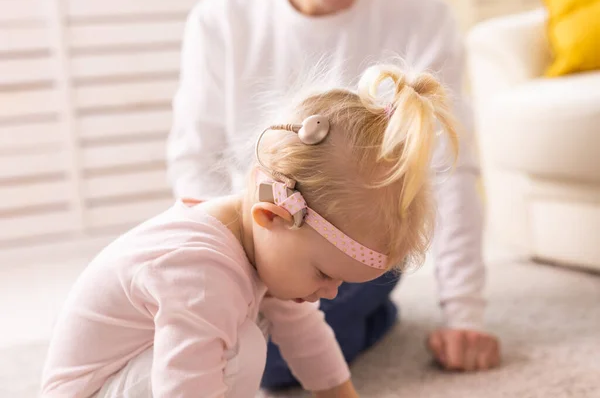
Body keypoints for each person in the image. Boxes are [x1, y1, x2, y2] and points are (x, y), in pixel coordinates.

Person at [41, 63, 457, 398]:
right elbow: (184, 389)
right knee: (242, 347)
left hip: (128, 376)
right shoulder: (201, 270)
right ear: (273, 216)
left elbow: (306, 334)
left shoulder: (259, 247)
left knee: (246, 335)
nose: (331, 293)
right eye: (324, 274)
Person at [167, 0, 501, 390]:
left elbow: (448, 170)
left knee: (289, 339)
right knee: (256, 353)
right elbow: (195, 162)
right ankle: (372, 316)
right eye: (324, 278)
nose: (326, 289)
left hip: (359, 243)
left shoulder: (420, 11)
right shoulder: (220, 18)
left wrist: (465, 315)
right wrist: (237, 267)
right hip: (265, 233)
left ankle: (362, 300)